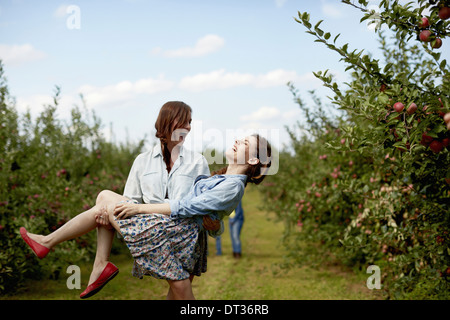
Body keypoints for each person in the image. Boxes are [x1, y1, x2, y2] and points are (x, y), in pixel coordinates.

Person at [20, 134, 272, 299]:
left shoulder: (232, 185)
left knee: (105, 202)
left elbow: (186, 207)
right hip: (177, 230)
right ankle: (81, 257)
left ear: (252, 158)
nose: (238, 140)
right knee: (104, 202)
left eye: (246, 142)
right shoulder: (222, 178)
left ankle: (68, 251)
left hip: (177, 233)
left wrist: (139, 208)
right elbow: (207, 214)